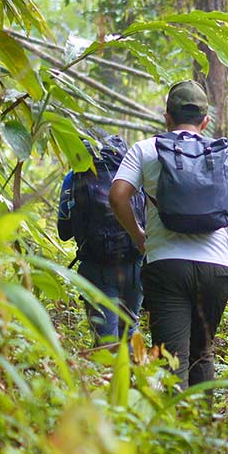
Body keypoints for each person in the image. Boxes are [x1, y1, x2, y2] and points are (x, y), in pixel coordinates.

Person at [108, 80, 228, 386]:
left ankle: (175, 428)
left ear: (167, 116)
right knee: (202, 353)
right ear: (205, 121)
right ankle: (202, 429)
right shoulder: (226, 155)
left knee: (171, 359)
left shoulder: (146, 149)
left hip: (166, 264)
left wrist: (138, 233)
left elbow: (117, 196)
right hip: (216, 268)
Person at [57, 134, 146, 346]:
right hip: (134, 266)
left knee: (106, 342)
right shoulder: (131, 174)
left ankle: (109, 377)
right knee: (130, 332)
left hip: (97, 268)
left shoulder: (75, 176)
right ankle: (133, 377)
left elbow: (64, 231)